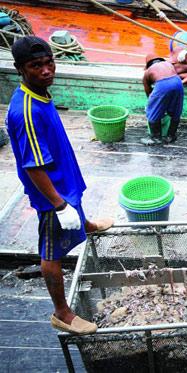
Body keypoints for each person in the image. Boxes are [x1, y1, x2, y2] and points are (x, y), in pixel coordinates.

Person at [5, 36, 113, 334]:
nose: (46, 70)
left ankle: (85, 223)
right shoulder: (26, 110)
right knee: (50, 253)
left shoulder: (40, 93)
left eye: (49, 62)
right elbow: (34, 166)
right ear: (20, 69)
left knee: (75, 205)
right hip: (51, 195)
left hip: (64, 181)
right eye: (35, 66)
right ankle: (62, 313)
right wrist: (59, 204)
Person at [142, 53, 184, 145]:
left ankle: (156, 138)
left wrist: (152, 106)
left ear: (149, 64)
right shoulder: (169, 64)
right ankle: (171, 136)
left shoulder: (147, 72)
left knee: (152, 110)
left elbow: (148, 93)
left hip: (163, 84)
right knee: (176, 110)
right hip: (178, 82)